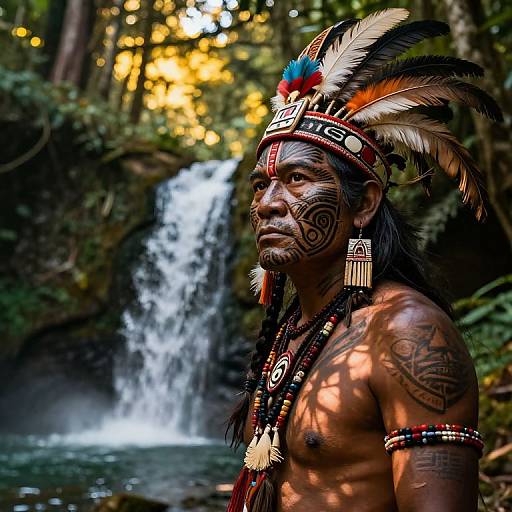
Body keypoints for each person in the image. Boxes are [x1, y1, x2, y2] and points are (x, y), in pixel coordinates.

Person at [226, 8, 502, 512]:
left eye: (297, 180)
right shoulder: (293, 331)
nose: (267, 203)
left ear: (366, 203)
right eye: (262, 185)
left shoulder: (408, 332)